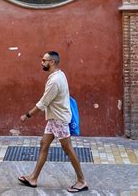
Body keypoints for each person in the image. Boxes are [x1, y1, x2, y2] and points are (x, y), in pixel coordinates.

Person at [18, 51, 88, 192]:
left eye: (44, 60)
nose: (41, 62)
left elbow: (43, 103)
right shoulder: (59, 75)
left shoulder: (55, 81)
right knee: (44, 144)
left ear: (52, 62)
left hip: (59, 120)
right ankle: (33, 178)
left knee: (68, 149)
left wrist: (27, 115)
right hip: (54, 119)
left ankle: (81, 181)